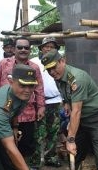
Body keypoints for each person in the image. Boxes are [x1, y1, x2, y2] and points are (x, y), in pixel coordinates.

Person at [41, 49, 98, 170]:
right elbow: (67, 95)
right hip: (81, 119)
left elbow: (77, 111)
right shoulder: (58, 77)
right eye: (48, 69)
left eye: (54, 67)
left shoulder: (76, 78)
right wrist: (66, 103)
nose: (52, 72)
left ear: (62, 61)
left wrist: (70, 139)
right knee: (75, 154)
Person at [0, 37, 45, 169]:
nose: (23, 50)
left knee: (26, 145)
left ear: (30, 49)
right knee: (7, 145)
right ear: (14, 48)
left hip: (27, 113)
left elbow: (39, 88)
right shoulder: (3, 64)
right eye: (20, 47)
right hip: (6, 112)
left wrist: (41, 107)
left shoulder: (34, 67)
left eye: (26, 47)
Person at [30, 37, 63, 167]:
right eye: (46, 46)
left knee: (53, 132)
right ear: (41, 48)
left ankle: (51, 157)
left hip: (55, 101)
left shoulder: (59, 62)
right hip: (39, 103)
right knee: (39, 134)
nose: (48, 49)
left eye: (52, 47)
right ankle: (36, 161)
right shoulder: (34, 63)